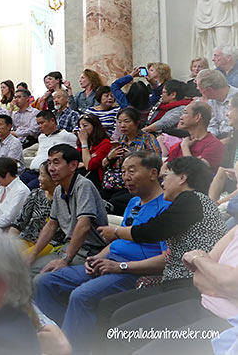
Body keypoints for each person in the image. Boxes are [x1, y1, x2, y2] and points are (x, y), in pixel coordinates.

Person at [36, 151, 171, 353]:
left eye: (132, 171)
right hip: (108, 261)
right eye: (123, 171)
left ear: (153, 173)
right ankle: (59, 337)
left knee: (81, 296)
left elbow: (165, 259)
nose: (125, 177)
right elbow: (117, 241)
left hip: (131, 271)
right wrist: (96, 258)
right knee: (44, 282)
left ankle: (74, 349)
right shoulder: (133, 203)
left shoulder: (168, 209)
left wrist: (119, 267)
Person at [95, 156, 227, 342]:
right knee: (109, 305)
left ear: (182, 178)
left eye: (165, 176)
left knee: (118, 315)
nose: (161, 181)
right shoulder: (193, 202)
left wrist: (116, 231)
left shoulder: (192, 199)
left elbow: (152, 231)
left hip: (190, 286)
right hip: (176, 283)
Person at [27, 144, 108, 275]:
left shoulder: (83, 185)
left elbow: (84, 225)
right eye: (49, 163)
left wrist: (65, 259)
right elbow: (51, 225)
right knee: (25, 269)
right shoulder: (59, 189)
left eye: (56, 163)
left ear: (73, 166)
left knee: (42, 278)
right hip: (68, 248)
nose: (51, 168)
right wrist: (33, 254)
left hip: (89, 251)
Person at [101, 108, 161, 211]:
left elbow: (157, 162)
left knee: (114, 202)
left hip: (138, 183)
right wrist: (110, 157)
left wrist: (132, 157)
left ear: (137, 122)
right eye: (119, 122)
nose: (122, 125)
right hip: (117, 182)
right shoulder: (120, 140)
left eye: (126, 121)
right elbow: (103, 164)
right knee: (99, 196)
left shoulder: (148, 139)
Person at [166, 101, 225, 168]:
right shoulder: (184, 142)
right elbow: (165, 166)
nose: (181, 117)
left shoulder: (214, 145)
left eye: (185, 113)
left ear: (197, 117)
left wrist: (185, 147)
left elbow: (196, 172)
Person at [197, 68, 238, 138]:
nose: (200, 93)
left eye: (200, 90)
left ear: (209, 90)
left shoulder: (236, 97)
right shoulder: (210, 102)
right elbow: (212, 126)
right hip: (218, 138)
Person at [77, 114, 112, 186]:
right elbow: (74, 162)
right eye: (80, 127)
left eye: (85, 126)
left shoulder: (105, 143)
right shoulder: (82, 143)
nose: (82, 129)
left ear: (95, 126)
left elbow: (89, 166)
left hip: (96, 180)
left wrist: (84, 143)